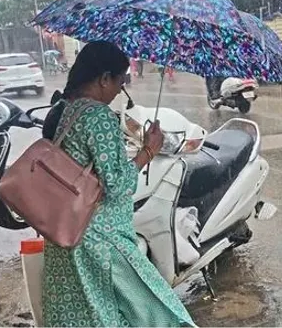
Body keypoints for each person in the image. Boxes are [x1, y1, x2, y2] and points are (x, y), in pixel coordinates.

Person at [41, 41, 196, 327]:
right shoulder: (98, 116)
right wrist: (148, 151)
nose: (120, 90)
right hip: (101, 239)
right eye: (120, 81)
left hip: (67, 233)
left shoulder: (67, 110)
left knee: (92, 315)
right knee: (157, 311)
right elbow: (118, 184)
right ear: (103, 79)